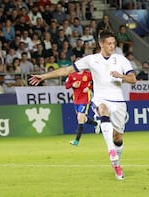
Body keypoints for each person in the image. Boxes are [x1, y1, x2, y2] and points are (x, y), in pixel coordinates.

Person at [29, 31, 137, 180]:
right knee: (103, 110)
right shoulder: (91, 60)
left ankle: (116, 164)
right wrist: (43, 76)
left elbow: (133, 79)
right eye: (109, 43)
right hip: (100, 99)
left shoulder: (121, 60)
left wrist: (121, 76)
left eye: (114, 43)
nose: (112, 46)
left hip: (118, 102)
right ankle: (110, 150)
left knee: (118, 137)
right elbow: (67, 70)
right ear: (101, 44)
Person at [65, 70, 100, 146]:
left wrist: (89, 87)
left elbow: (97, 81)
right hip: (76, 100)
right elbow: (67, 86)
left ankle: (76, 141)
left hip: (85, 99)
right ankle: (96, 123)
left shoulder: (88, 74)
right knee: (83, 119)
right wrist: (72, 84)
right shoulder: (72, 75)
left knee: (80, 119)